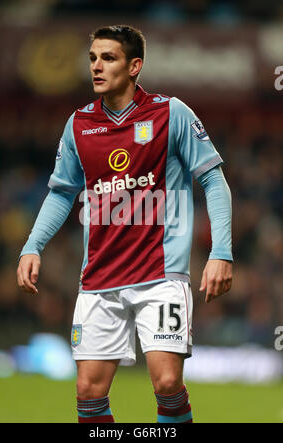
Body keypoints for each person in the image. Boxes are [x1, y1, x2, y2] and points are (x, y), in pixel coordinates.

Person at [17, 25, 233, 424]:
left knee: (167, 383)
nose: (97, 67)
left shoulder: (171, 113)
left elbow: (213, 180)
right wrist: (33, 245)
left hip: (161, 275)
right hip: (99, 278)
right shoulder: (79, 125)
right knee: (87, 391)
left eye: (109, 58)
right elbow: (62, 192)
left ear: (135, 66)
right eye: (93, 58)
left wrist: (221, 252)